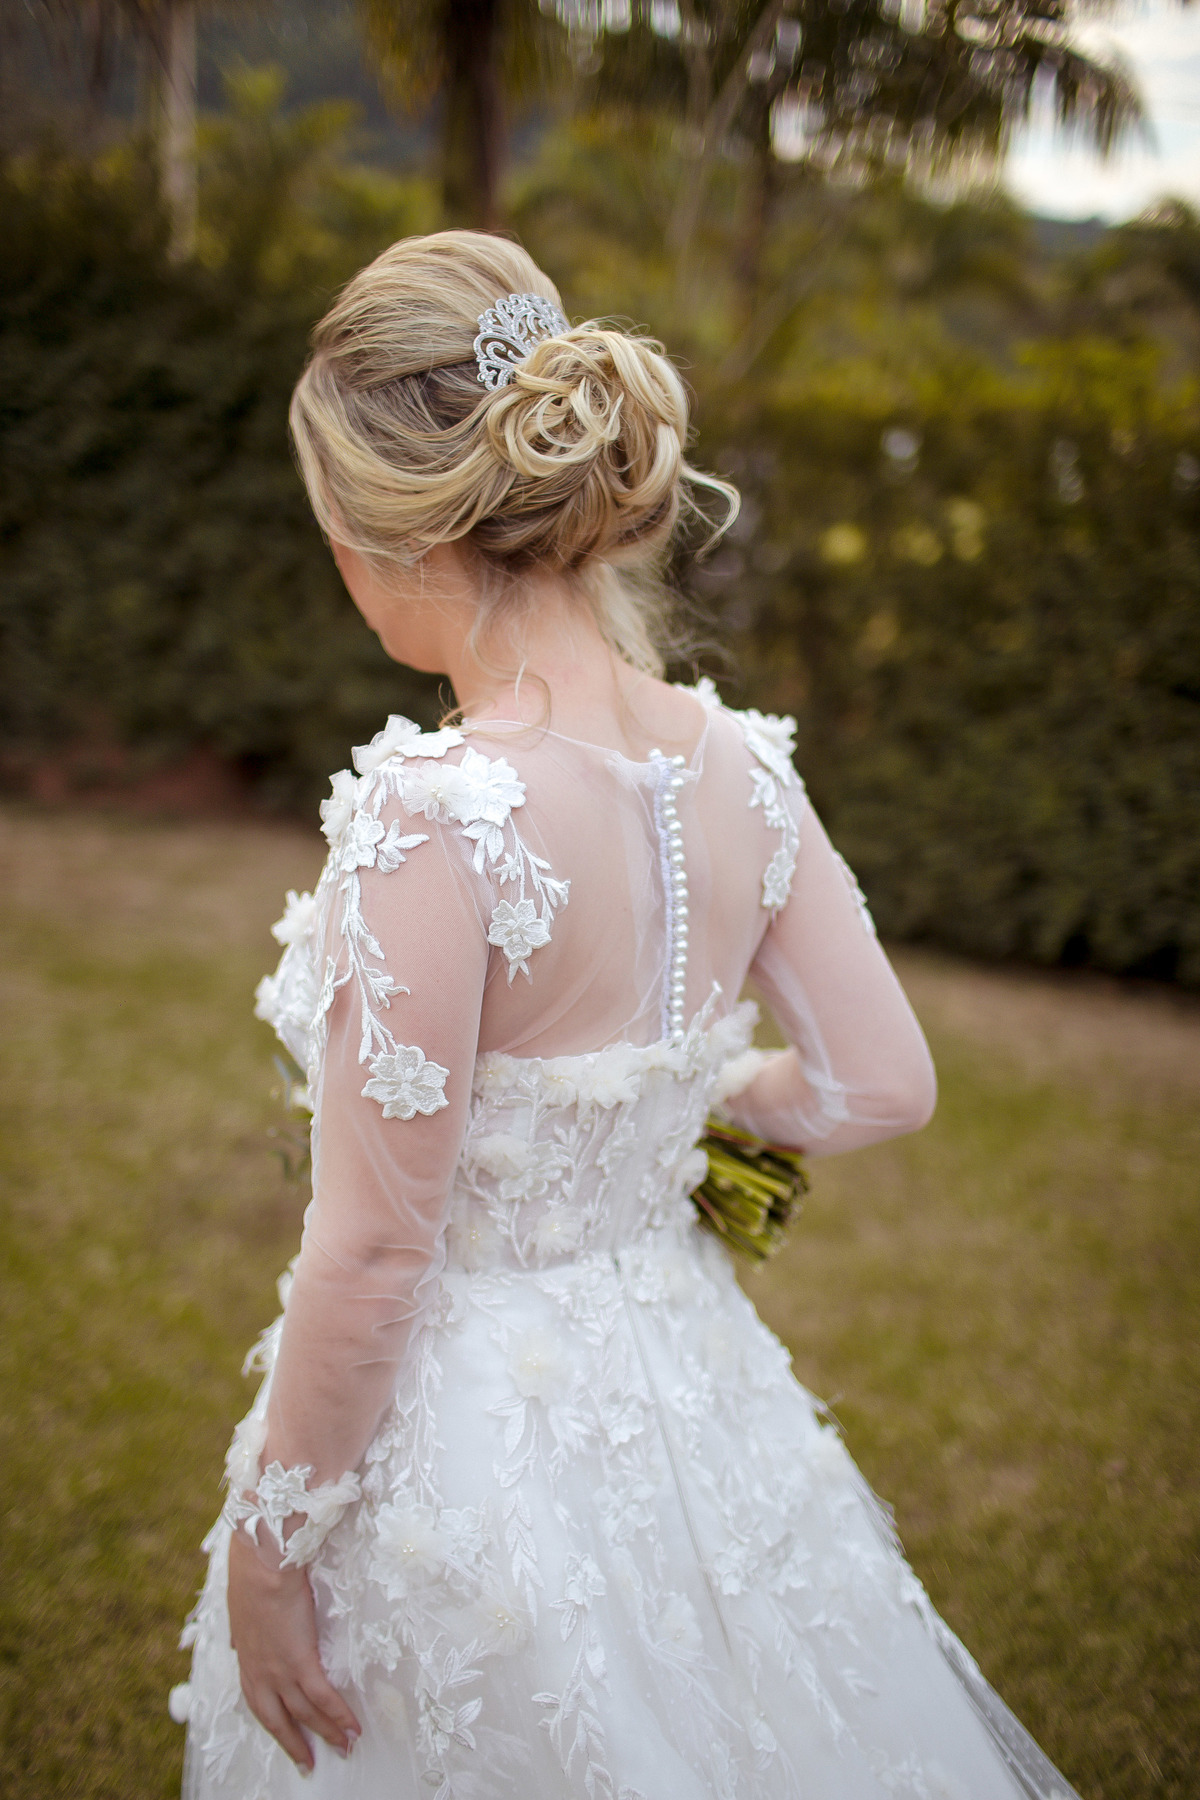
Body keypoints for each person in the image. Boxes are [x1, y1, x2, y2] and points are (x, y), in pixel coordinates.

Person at [172, 230, 1080, 1800]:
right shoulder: (743, 768)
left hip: (476, 1466)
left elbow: (377, 1255)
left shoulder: (434, 816)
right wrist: (681, 1111)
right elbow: (882, 1083)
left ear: (398, 529)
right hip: (700, 1405)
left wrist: (270, 1547)